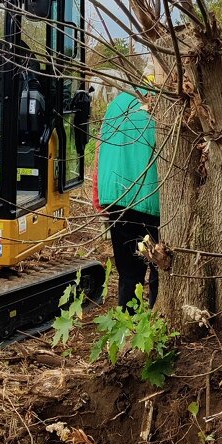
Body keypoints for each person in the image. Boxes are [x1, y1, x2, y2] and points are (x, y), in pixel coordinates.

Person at [94, 84, 160, 309]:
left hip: (116, 198)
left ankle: (128, 325)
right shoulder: (165, 106)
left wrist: (99, 198)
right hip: (153, 201)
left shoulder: (117, 104)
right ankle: (156, 324)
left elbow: (99, 152)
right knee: (161, 268)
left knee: (129, 272)